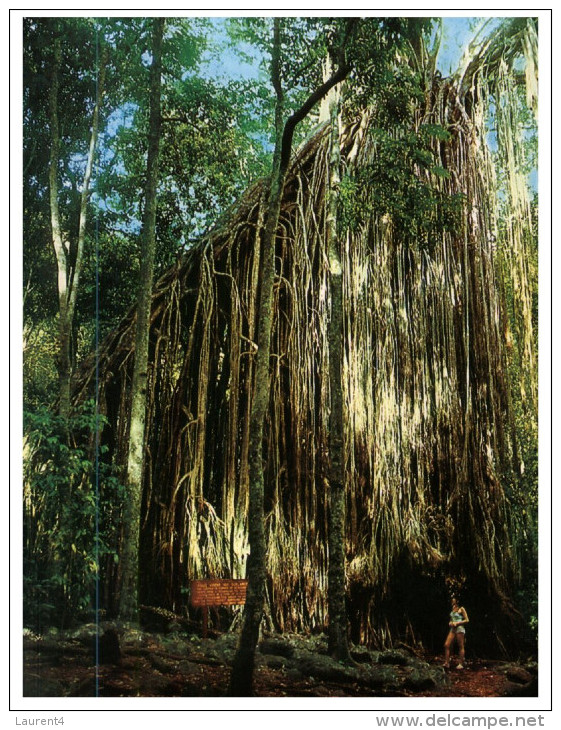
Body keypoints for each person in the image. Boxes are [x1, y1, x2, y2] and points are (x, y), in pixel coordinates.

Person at [443, 595, 469, 669]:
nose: (452, 600)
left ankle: (461, 663)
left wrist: (457, 623)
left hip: (459, 628)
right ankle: (447, 663)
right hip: (452, 629)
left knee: (460, 645)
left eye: (453, 599)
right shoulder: (453, 608)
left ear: (457, 600)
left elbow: (467, 620)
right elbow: (452, 618)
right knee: (447, 645)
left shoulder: (461, 608)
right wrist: (450, 622)